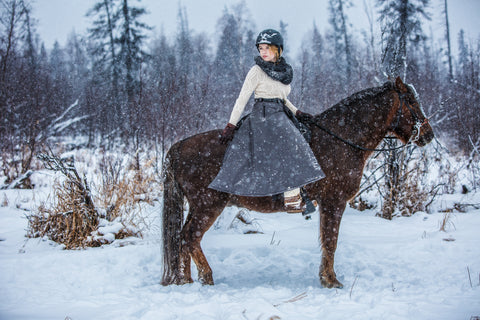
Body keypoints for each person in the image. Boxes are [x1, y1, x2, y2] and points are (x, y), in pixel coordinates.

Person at [208, 29, 325, 213]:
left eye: (267, 48)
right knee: (292, 144)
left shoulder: (284, 71)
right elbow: (242, 99)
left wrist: (298, 112)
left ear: (278, 50)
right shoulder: (256, 71)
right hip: (264, 116)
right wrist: (231, 124)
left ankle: (305, 192)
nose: (263, 52)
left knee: (305, 137)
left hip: (281, 112)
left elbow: (282, 98)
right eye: (261, 48)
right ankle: (292, 198)